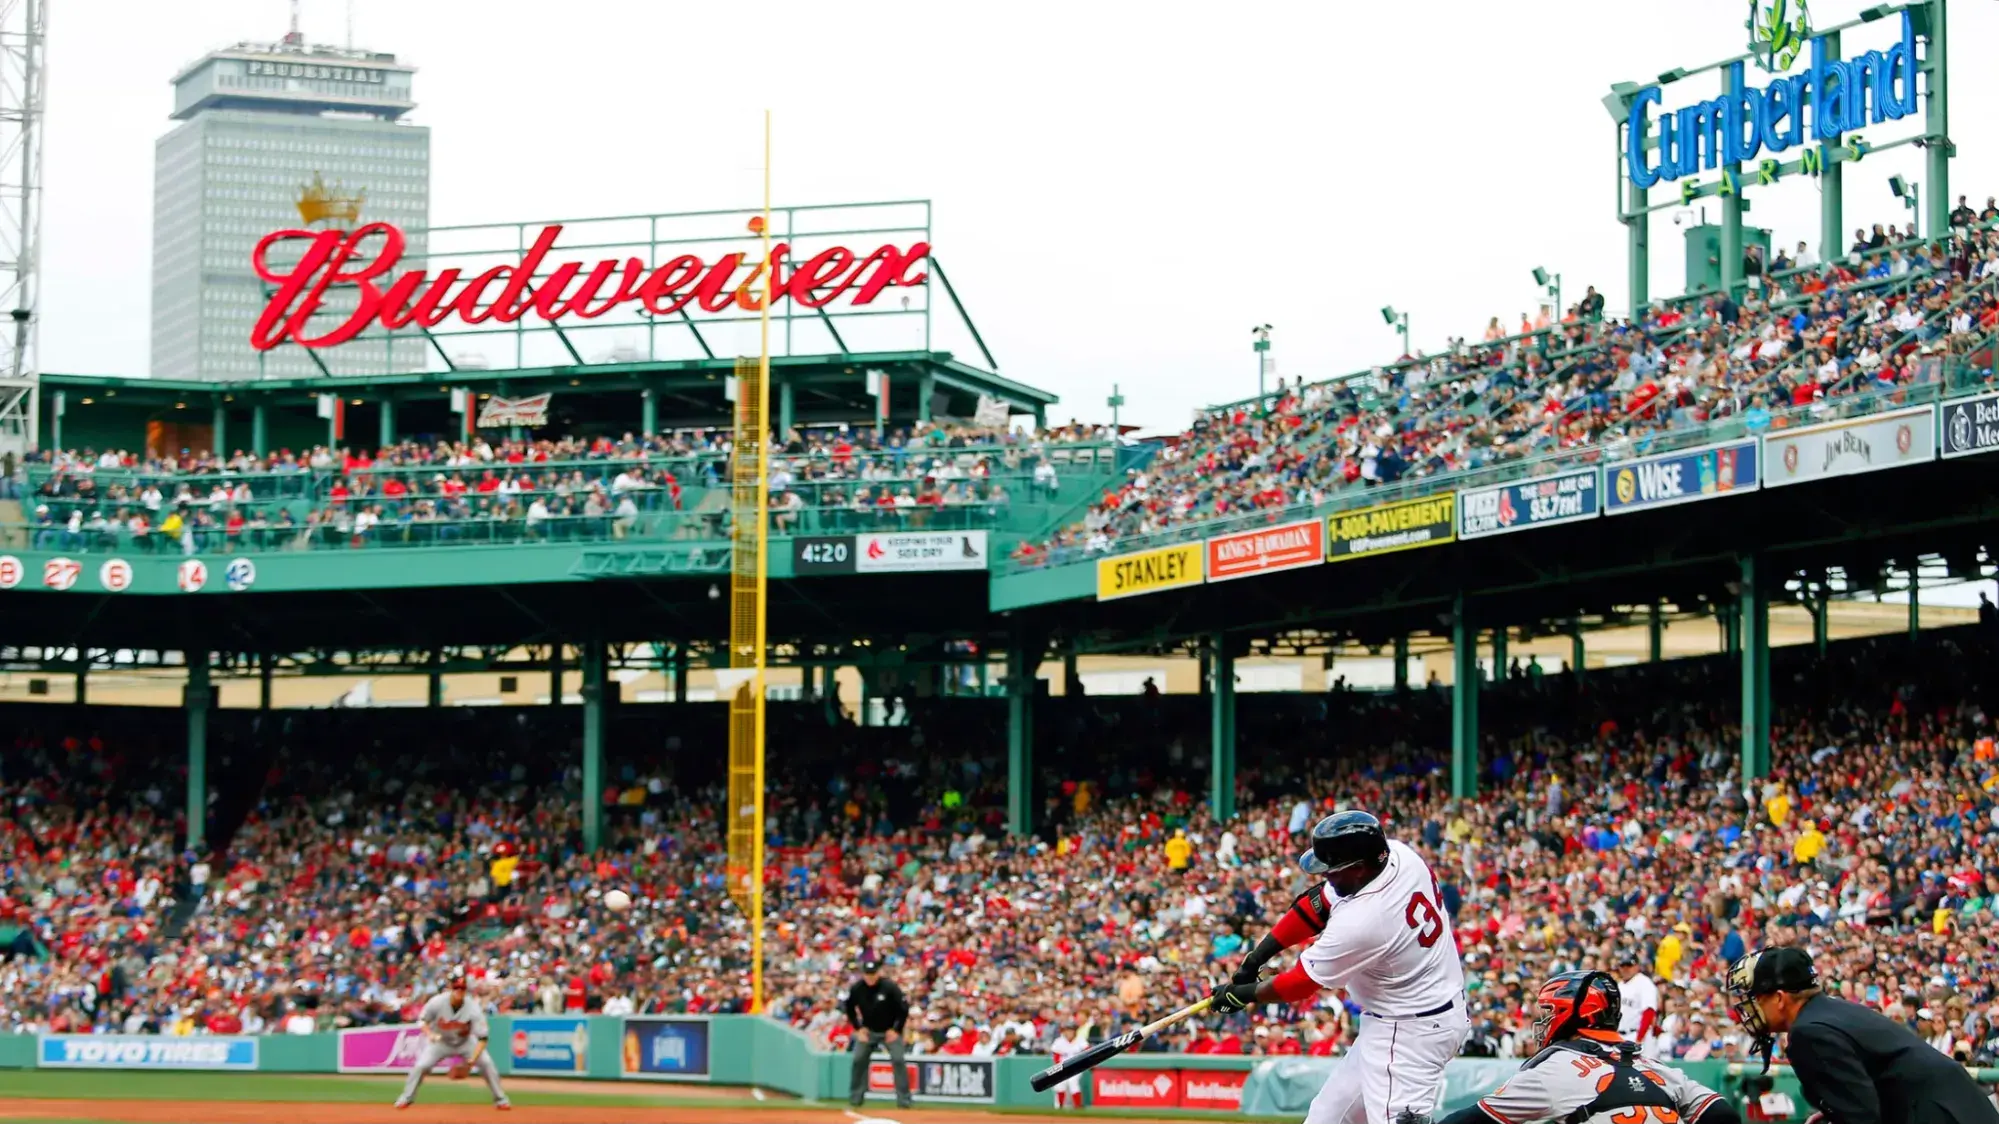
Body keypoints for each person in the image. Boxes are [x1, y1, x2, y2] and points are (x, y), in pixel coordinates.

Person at [1215, 810, 1469, 1125]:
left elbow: (1301, 983)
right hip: (1409, 1014)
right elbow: (1316, 905)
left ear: (1359, 869)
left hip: (1409, 1032)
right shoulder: (1399, 856)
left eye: (1332, 870)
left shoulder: (1366, 920)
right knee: (1326, 1120)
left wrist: (1243, 995)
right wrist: (1255, 958)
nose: (1326, 876)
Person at [1726, 947, 1999, 1125]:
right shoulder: (1830, 1011)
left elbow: (1863, 1119)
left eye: (1757, 999)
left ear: (1780, 998)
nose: (1751, 1008)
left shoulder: (1809, 1032)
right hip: (1959, 1110)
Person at [1432, 971, 1738, 1125]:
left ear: (1569, 1013)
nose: (1544, 1021)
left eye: (1549, 1012)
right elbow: (1723, 1115)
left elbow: (1475, 1120)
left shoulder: (1556, 1069)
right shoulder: (1655, 1067)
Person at [394, 968, 510, 1111]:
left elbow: (483, 1038)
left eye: (462, 988)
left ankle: (501, 1099)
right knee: (421, 1066)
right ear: (451, 988)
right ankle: (406, 1098)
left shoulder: (473, 1008)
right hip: (441, 1042)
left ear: (465, 990)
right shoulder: (437, 1002)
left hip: (466, 1042)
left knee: (486, 1063)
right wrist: (429, 1034)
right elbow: (422, 1021)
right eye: (456, 988)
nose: (459, 991)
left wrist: (471, 1061)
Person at [843, 957, 912, 1110]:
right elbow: (849, 1008)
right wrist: (858, 1028)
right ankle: (855, 1098)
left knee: (898, 1059)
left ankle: (904, 1100)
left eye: (873, 973)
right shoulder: (857, 988)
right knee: (859, 1059)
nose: (870, 977)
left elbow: (903, 1009)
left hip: (889, 1030)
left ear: (878, 973)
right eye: (867, 974)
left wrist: (896, 1029)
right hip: (868, 1030)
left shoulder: (889, 987)